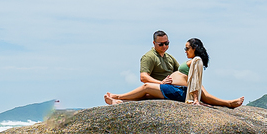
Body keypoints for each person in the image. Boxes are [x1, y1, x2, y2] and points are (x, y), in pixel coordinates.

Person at [104, 35, 244, 108]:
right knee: (146, 94)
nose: (185, 51)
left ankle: (117, 97)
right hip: (174, 89)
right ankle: (119, 102)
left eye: (187, 48)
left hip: (178, 91)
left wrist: (197, 100)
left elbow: (196, 84)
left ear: (194, 48)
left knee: (146, 87)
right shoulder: (192, 61)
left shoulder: (195, 61)